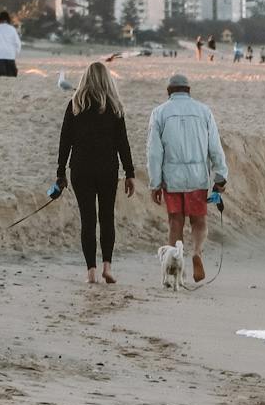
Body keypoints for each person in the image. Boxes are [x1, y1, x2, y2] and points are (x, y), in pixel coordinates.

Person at [52, 61, 135, 284]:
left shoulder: (75, 104)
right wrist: (130, 173)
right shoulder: (115, 106)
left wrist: (60, 172)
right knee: (107, 218)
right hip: (107, 168)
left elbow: (64, 141)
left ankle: (91, 271)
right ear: (107, 79)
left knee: (87, 220)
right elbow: (122, 143)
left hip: (80, 169)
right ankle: (107, 267)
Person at [147, 72, 228, 285]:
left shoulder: (159, 113)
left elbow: (154, 153)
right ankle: (197, 252)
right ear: (189, 91)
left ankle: (174, 267)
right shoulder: (204, 111)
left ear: (168, 92)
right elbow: (215, 148)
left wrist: (155, 183)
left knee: (175, 222)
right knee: (199, 221)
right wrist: (221, 176)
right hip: (197, 177)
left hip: (171, 179)